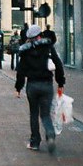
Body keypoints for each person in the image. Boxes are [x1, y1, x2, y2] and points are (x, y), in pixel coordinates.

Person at [14, 24, 66, 153]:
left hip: (32, 85)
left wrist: (18, 87)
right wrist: (60, 82)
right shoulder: (48, 48)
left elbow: (21, 71)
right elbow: (58, 65)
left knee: (34, 114)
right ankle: (50, 134)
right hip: (47, 84)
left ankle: (35, 142)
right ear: (40, 35)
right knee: (45, 114)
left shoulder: (25, 51)